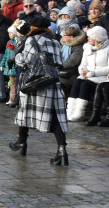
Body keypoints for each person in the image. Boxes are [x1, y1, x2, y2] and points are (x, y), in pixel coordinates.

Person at [10, 13, 70, 165]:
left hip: (35, 82)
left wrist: (17, 56)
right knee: (56, 116)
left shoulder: (31, 40)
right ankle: (62, 150)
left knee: (25, 112)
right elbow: (59, 61)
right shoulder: (55, 41)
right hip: (52, 81)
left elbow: (24, 60)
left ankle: (22, 142)